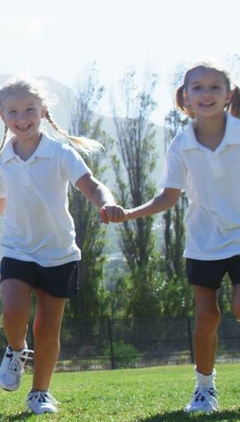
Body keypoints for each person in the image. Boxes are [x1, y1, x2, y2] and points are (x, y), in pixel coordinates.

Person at [0, 75, 122, 415]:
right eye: (13, 111)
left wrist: (105, 203)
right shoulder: (0, 161)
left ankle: (40, 393)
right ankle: (16, 349)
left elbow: (91, 184)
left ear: (43, 111)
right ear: (2, 117)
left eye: (29, 110)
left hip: (59, 254)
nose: (21, 118)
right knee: (13, 314)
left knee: (47, 327)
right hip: (18, 250)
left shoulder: (60, 153)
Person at [105, 62, 240, 413]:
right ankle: (204, 388)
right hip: (203, 242)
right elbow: (168, 196)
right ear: (185, 97)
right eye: (197, 87)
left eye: (215, 87)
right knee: (207, 316)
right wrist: (129, 213)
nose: (206, 93)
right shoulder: (180, 146)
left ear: (228, 95)